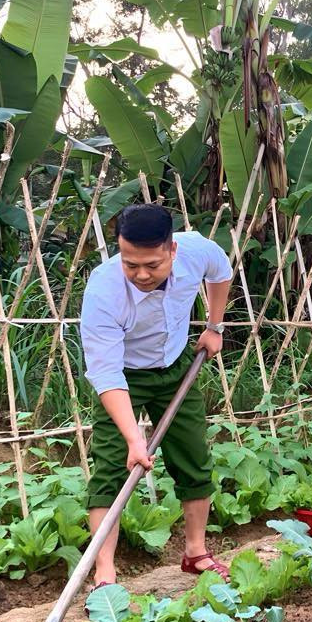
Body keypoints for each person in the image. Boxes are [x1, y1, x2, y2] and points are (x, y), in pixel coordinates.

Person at [79, 203, 233, 588]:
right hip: (125, 376)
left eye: (152, 264)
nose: (141, 274)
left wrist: (214, 325)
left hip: (176, 365)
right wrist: (135, 439)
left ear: (172, 251)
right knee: (111, 469)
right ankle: (105, 574)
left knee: (193, 456)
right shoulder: (103, 290)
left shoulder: (195, 250)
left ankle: (196, 552)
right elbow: (106, 372)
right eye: (131, 265)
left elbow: (222, 271)